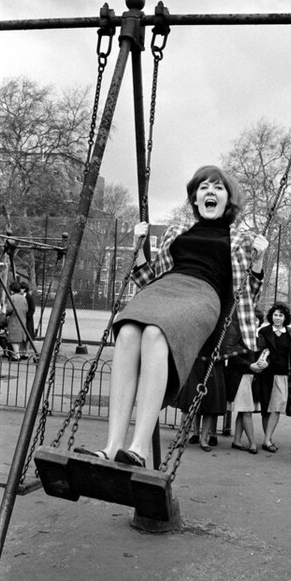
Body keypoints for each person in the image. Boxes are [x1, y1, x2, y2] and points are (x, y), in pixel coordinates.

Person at [76, 165, 268, 468]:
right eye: (203, 187)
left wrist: (259, 261)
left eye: (218, 188)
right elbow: (146, 277)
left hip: (204, 295)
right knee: (126, 330)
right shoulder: (176, 233)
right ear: (194, 198)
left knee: (155, 333)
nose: (210, 192)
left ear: (228, 199)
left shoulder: (241, 240)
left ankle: (138, 449)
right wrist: (138, 247)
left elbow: (248, 293)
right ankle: (113, 446)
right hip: (165, 287)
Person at [253, 302, 291, 453]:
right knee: (266, 408)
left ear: (285, 317)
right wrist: (262, 361)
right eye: (275, 315)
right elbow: (260, 351)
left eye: (281, 315)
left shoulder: (290, 333)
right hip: (266, 375)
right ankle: (268, 438)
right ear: (271, 316)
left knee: (277, 407)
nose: (278, 318)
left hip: (283, 376)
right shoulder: (264, 332)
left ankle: (267, 439)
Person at [224, 314, 269, 454]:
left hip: (252, 378)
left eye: (256, 320)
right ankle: (252, 443)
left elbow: (265, 354)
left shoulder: (260, 339)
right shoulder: (239, 337)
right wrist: (250, 365)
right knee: (247, 411)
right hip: (240, 377)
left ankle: (237, 440)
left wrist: (264, 363)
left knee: (243, 411)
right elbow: (233, 358)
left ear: (259, 322)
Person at [5, 280, 28, 360]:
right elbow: (26, 309)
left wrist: (6, 313)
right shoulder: (23, 298)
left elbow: (9, 309)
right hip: (22, 319)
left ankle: (17, 355)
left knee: (13, 338)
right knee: (18, 338)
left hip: (14, 320)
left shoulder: (12, 298)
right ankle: (17, 354)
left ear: (12, 290)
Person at [19, 281, 36, 357]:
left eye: (22, 289)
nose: (20, 290)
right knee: (22, 335)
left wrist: (27, 316)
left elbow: (32, 309)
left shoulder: (29, 297)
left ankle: (27, 352)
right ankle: (22, 351)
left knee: (28, 335)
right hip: (21, 318)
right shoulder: (20, 297)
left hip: (28, 319)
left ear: (25, 289)